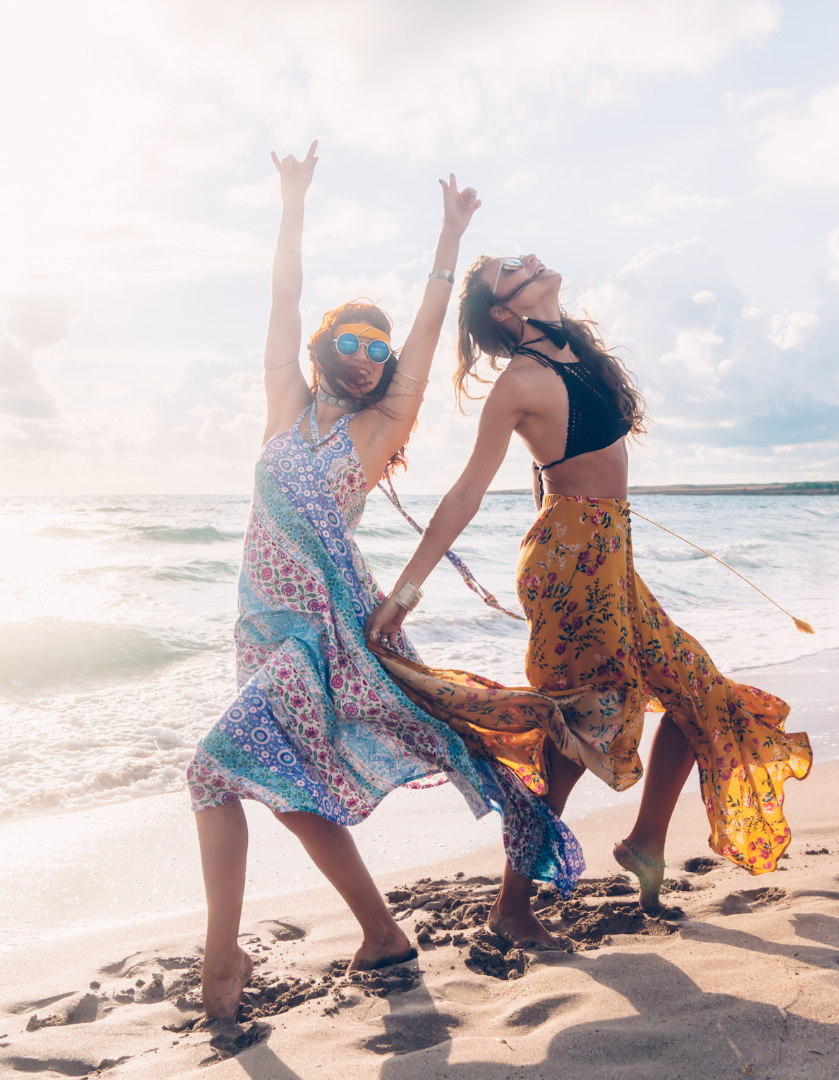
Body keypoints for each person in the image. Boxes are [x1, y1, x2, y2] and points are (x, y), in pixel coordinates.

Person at [186, 152, 586, 1022]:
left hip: (323, 636)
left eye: (380, 349)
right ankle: (383, 935)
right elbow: (282, 302)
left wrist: (449, 238)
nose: (369, 357)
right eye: (353, 344)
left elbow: (431, 325)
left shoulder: (377, 430)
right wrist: (292, 205)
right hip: (258, 631)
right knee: (288, 793)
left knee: (211, 773)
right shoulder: (285, 405)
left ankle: (223, 963)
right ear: (327, 351)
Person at [366, 251, 812, 947]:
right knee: (578, 736)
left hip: (610, 556)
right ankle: (511, 908)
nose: (531, 259)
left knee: (701, 693)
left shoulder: (579, 352)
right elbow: (465, 492)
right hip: (573, 564)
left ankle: (644, 845)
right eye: (512, 267)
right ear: (506, 312)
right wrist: (408, 590)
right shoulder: (519, 379)